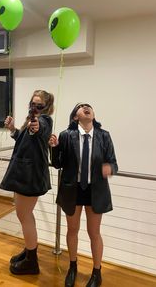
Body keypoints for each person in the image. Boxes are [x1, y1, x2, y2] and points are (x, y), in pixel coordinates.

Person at [49, 103, 118, 287]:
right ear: (75, 117)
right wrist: (55, 147)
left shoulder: (104, 136)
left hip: (96, 191)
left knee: (94, 233)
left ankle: (97, 272)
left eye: (89, 106)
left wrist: (109, 168)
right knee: (72, 230)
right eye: (81, 107)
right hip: (73, 190)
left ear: (93, 114)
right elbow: (57, 164)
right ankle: (73, 267)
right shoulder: (66, 135)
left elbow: (114, 163)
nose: (86, 107)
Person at [0, 90, 54, 275]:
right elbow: (25, 142)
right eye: (32, 104)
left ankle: (32, 261)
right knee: (25, 216)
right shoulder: (29, 121)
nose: (34, 107)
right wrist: (14, 130)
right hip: (23, 175)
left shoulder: (45, 121)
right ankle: (29, 251)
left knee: (24, 216)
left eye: (39, 105)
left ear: (46, 107)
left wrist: (36, 125)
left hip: (29, 177)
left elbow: (40, 129)